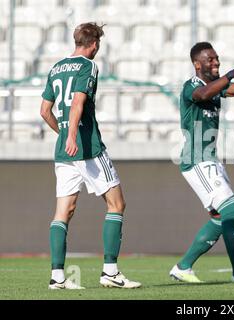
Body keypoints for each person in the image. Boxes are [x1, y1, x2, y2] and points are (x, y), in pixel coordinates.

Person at [40, 22, 141, 289]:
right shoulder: (88, 66)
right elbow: (77, 102)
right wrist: (72, 135)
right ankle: (110, 272)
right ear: (94, 43)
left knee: (63, 211)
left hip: (64, 153)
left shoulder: (56, 68)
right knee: (117, 204)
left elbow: (44, 111)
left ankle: (58, 277)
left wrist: (62, 136)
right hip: (88, 147)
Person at [169, 42, 234, 283]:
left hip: (209, 159)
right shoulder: (193, 86)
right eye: (210, 60)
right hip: (196, 159)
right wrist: (230, 75)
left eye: (217, 58)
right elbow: (202, 95)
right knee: (231, 209)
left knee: (220, 218)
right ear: (197, 64)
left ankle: (183, 267)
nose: (216, 63)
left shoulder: (216, 87)